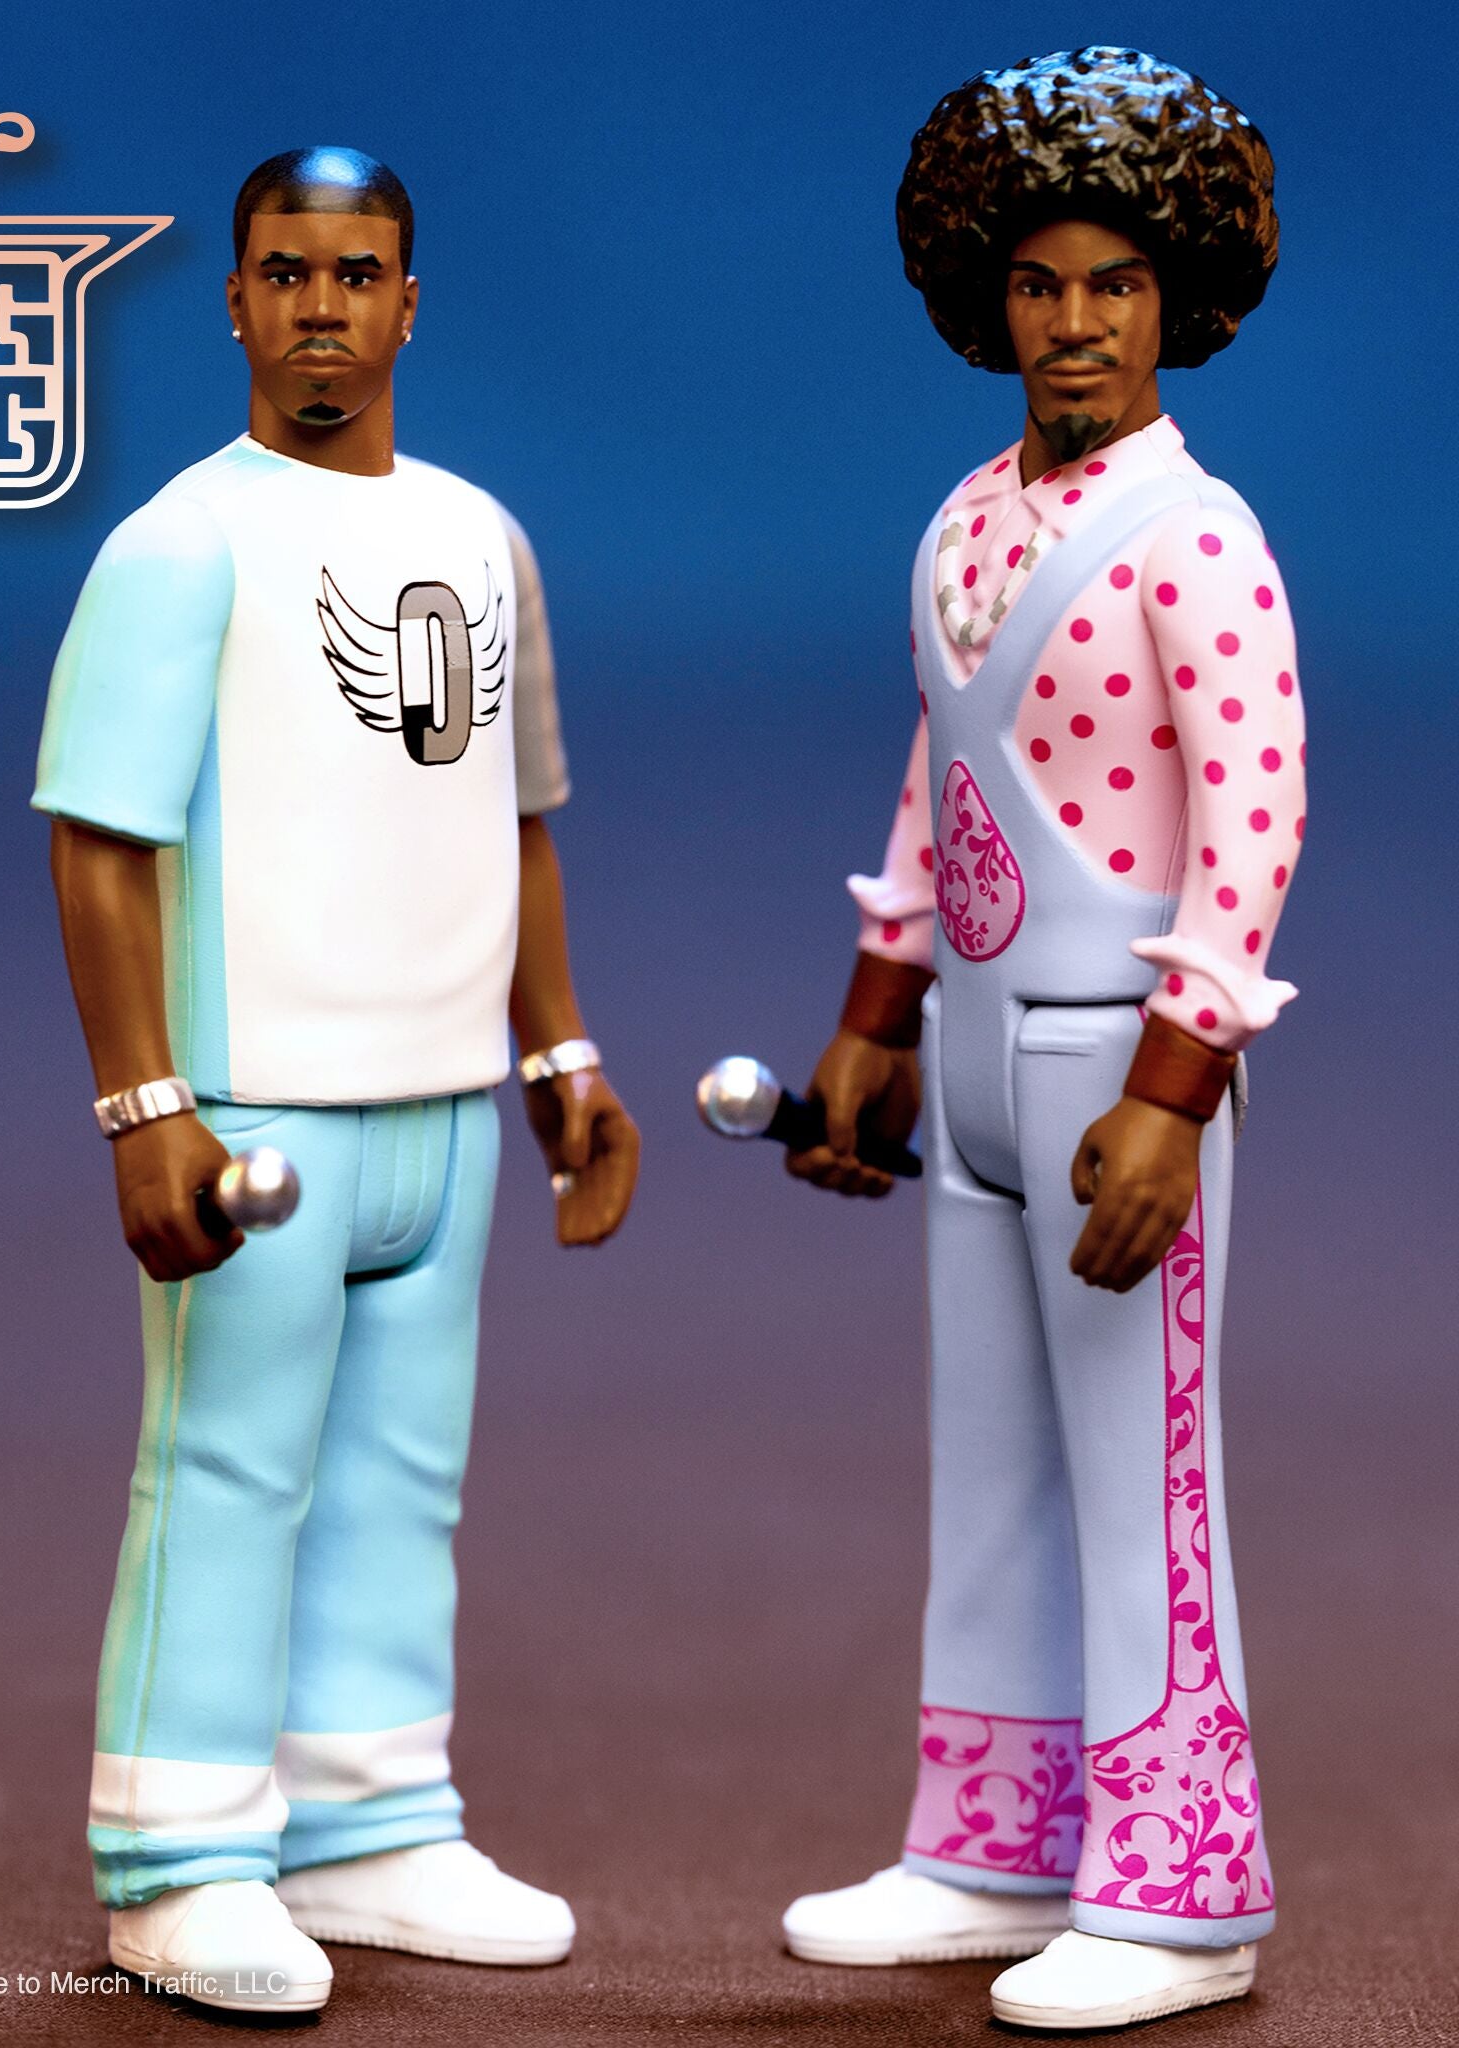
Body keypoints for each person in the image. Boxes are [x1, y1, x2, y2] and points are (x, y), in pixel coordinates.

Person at [32, 146, 640, 2014]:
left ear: (408, 303)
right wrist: (147, 1105)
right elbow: (100, 839)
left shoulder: (481, 536)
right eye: (285, 272)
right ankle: (179, 1854)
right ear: (233, 300)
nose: (320, 307)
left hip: (442, 1104)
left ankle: (370, 1814)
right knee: (227, 1466)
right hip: (261, 1107)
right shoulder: (180, 547)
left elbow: (516, 815)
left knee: (399, 1479)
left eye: (356, 273)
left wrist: (558, 1049)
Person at [775, 50, 1303, 2032]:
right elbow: (944, 779)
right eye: (1038, 283)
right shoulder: (963, 522)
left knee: (1141, 1472)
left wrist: (1177, 1086)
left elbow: (1253, 827)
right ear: (983, 295)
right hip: (985, 1055)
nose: (1073, 322)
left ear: (1176, 299)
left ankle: (1182, 1886)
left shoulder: (1197, 538)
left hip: (1111, 1065)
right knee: (989, 1463)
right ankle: (995, 1840)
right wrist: (876, 1015)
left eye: (1114, 284)